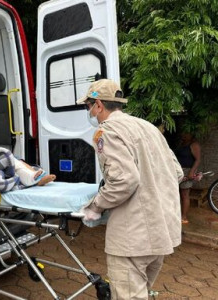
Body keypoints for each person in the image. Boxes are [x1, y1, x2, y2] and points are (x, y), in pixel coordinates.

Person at [77, 79, 183, 300]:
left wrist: (95, 206)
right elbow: (177, 173)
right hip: (161, 232)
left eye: (88, 106)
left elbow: (123, 181)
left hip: (133, 238)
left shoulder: (106, 132)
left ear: (98, 104)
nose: (89, 112)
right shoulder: (148, 127)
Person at [175, 132, 201, 224]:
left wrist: (191, 172)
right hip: (177, 171)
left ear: (192, 134)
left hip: (187, 171)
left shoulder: (194, 145)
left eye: (186, 134)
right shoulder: (181, 144)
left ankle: (184, 217)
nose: (183, 135)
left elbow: (198, 160)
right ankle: (176, 214)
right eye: (183, 133)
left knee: (185, 194)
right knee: (175, 194)